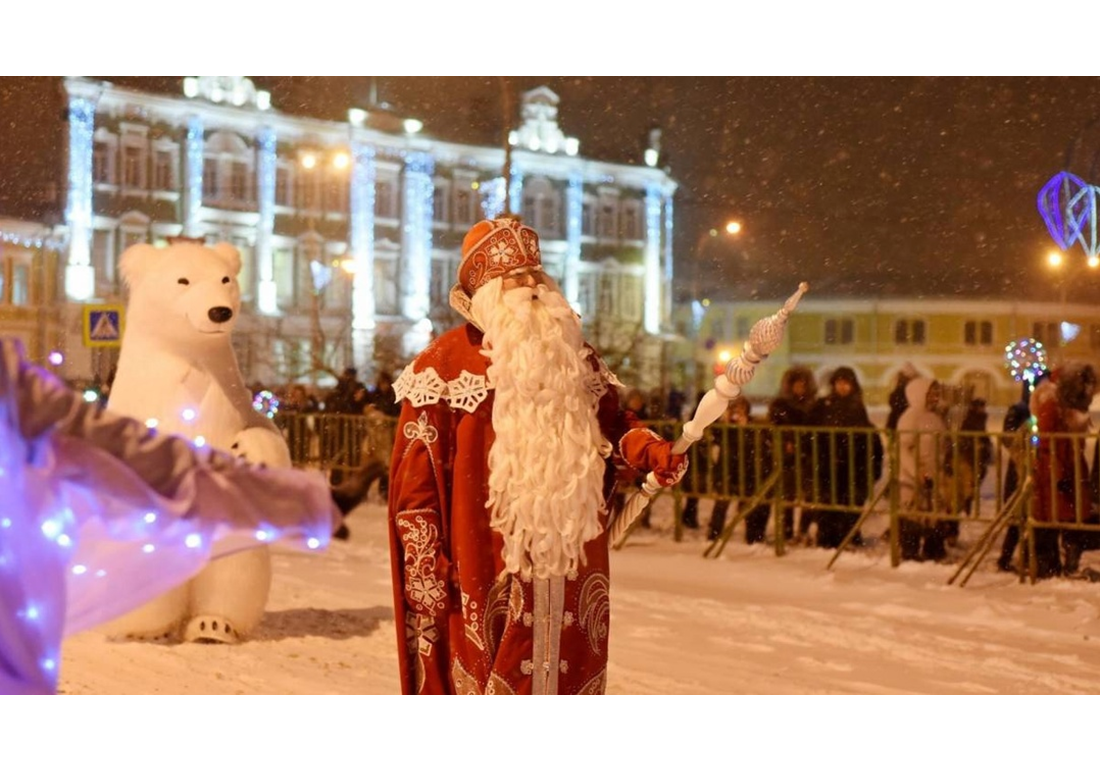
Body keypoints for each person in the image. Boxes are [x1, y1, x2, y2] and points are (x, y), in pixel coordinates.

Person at [386, 217, 688, 695]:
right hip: (483, 557)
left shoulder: (575, 356)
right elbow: (416, 478)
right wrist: (426, 563)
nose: (531, 288)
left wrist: (648, 450)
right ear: (483, 291)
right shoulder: (441, 366)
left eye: (537, 277)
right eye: (515, 280)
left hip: (569, 563)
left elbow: (612, 426)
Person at [0, 338, 340, 694]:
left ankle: (218, 605)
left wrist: (264, 455)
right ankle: (148, 606)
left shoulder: (221, 371)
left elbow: (248, 421)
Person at [1029, 362, 1097, 578]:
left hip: (1068, 468)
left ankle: (1057, 564)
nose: (1088, 391)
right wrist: (1057, 473)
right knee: (1049, 519)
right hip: (1055, 470)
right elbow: (1048, 442)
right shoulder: (1052, 402)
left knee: (1065, 518)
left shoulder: (1069, 403)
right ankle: (1046, 567)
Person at [809, 367, 883, 549]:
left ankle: (848, 535)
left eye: (846, 383)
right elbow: (812, 431)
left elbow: (863, 433)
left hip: (852, 465)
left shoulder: (856, 406)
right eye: (839, 383)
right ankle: (827, 537)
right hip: (828, 464)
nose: (842, 387)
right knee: (828, 502)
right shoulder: (823, 406)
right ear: (833, 384)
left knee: (850, 502)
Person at [897, 376, 950, 562]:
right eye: (931, 393)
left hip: (934, 474)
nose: (935, 396)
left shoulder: (936, 418)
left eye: (937, 392)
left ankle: (934, 549)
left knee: (934, 513)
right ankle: (909, 551)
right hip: (914, 476)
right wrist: (915, 471)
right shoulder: (910, 417)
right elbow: (903, 448)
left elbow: (942, 446)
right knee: (913, 514)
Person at [708, 395, 773, 544]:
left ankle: (753, 536)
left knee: (749, 505)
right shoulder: (722, 427)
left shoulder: (753, 427)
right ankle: (714, 535)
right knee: (722, 504)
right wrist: (723, 423)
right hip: (727, 471)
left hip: (747, 472)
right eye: (734, 409)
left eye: (741, 409)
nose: (737, 412)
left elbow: (756, 446)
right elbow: (711, 439)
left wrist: (745, 429)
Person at [997, 376, 1043, 572]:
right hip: (1020, 471)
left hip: (1037, 469)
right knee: (1019, 517)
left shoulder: (1040, 409)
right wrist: (1024, 447)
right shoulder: (1019, 410)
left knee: (1032, 516)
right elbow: (1008, 438)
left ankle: (1027, 558)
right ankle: (1006, 558)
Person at [768, 365, 818, 543]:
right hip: (787, 458)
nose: (800, 389)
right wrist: (788, 441)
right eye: (796, 385)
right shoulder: (780, 405)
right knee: (787, 496)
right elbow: (775, 427)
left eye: (803, 385)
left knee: (810, 496)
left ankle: (804, 530)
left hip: (808, 457)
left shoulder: (814, 406)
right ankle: (786, 531)